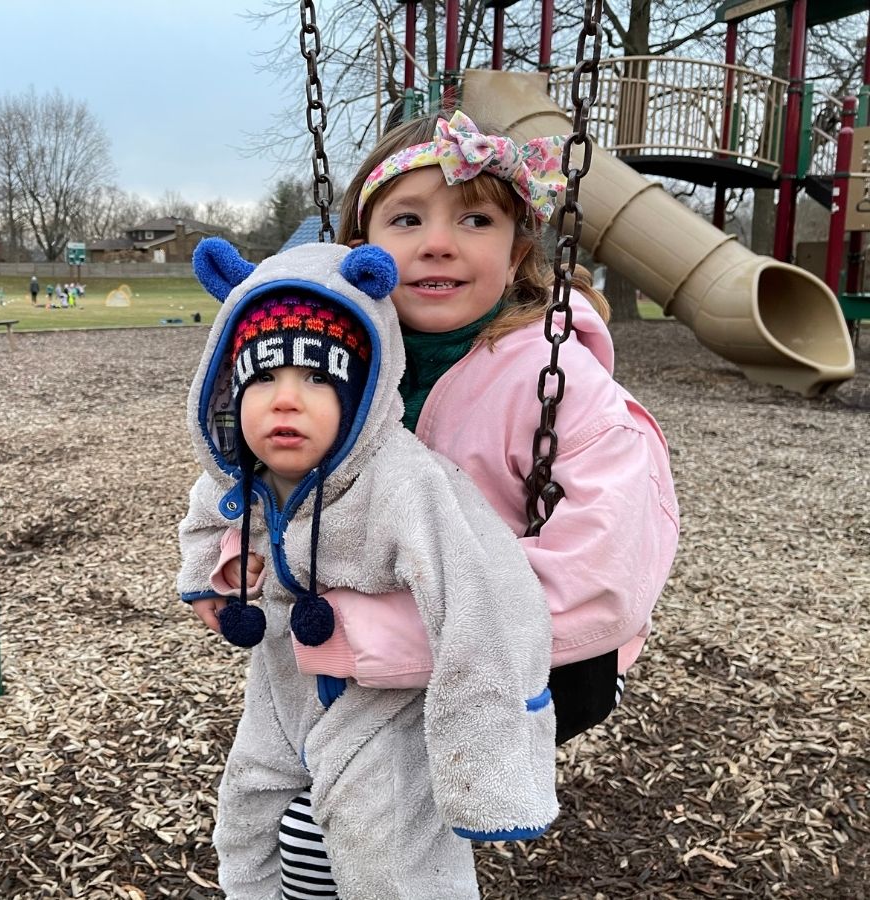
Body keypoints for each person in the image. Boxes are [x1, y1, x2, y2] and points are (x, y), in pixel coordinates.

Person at [179, 111, 680, 896]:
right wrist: (226, 562)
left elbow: (605, 577)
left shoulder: (563, 383)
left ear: (518, 249)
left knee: (355, 833)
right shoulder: (337, 356)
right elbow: (256, 471)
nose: (438, 243)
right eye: (407, 219)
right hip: (344, 640)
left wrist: (368, 631)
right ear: (362, 250)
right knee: (266, 811)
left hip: (525, 649)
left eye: (474, 218)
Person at [180, 236, 559, 897]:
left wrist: (487, 762)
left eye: (318, 379)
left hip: (380, 704)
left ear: (360, 399)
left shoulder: (405, 484)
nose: (285, 401)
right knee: (244, 813)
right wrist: (203, 577)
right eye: (262, 378)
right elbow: (207, 515)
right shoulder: (240, 470)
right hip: (280, 681)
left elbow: (481, 600)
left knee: (383, 845)